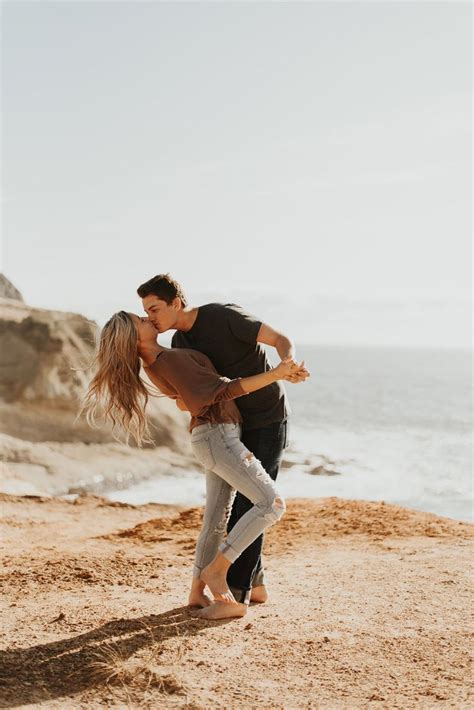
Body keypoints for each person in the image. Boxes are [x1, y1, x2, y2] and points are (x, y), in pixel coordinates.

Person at [81, 311, 308, 619]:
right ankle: (218, 571)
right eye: (141, 320)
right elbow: (225, 390)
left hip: (210, 437)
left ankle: (196, 592)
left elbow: (185, 399)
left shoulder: (157, 362)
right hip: (220, 438)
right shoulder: (168, 360)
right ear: (136, 338)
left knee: (215, 518)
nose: (148, 319)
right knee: (272, 504)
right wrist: (276, 374)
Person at [137, 274, 309, 605]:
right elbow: (190, 395)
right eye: (146, 311)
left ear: (176, 303)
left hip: (268, 415)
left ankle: (240, 590)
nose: (151, 317)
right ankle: (255, 585)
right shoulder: (179, 347)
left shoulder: (222, 316)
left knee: (251, 502)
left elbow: (280, 338)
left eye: (155, 308)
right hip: (232, 424)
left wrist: (286, 364)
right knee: (250, 501)